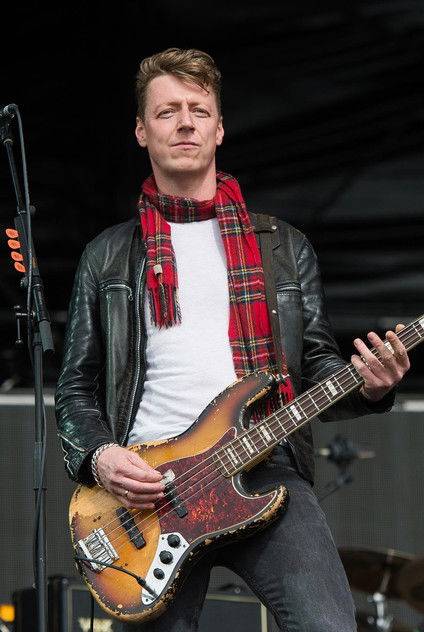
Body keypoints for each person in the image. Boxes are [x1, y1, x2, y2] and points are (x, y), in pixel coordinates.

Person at [55, 48, 410, 632]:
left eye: (199, 110)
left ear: (219, 129)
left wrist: (371, 387)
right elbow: (75, 389)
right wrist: (101, 456)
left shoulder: (284, 248)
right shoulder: (108, 255)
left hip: (264, 462)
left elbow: (317, 365)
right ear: (141, 131)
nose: (185, 123)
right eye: (167, 111)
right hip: (147, 493)